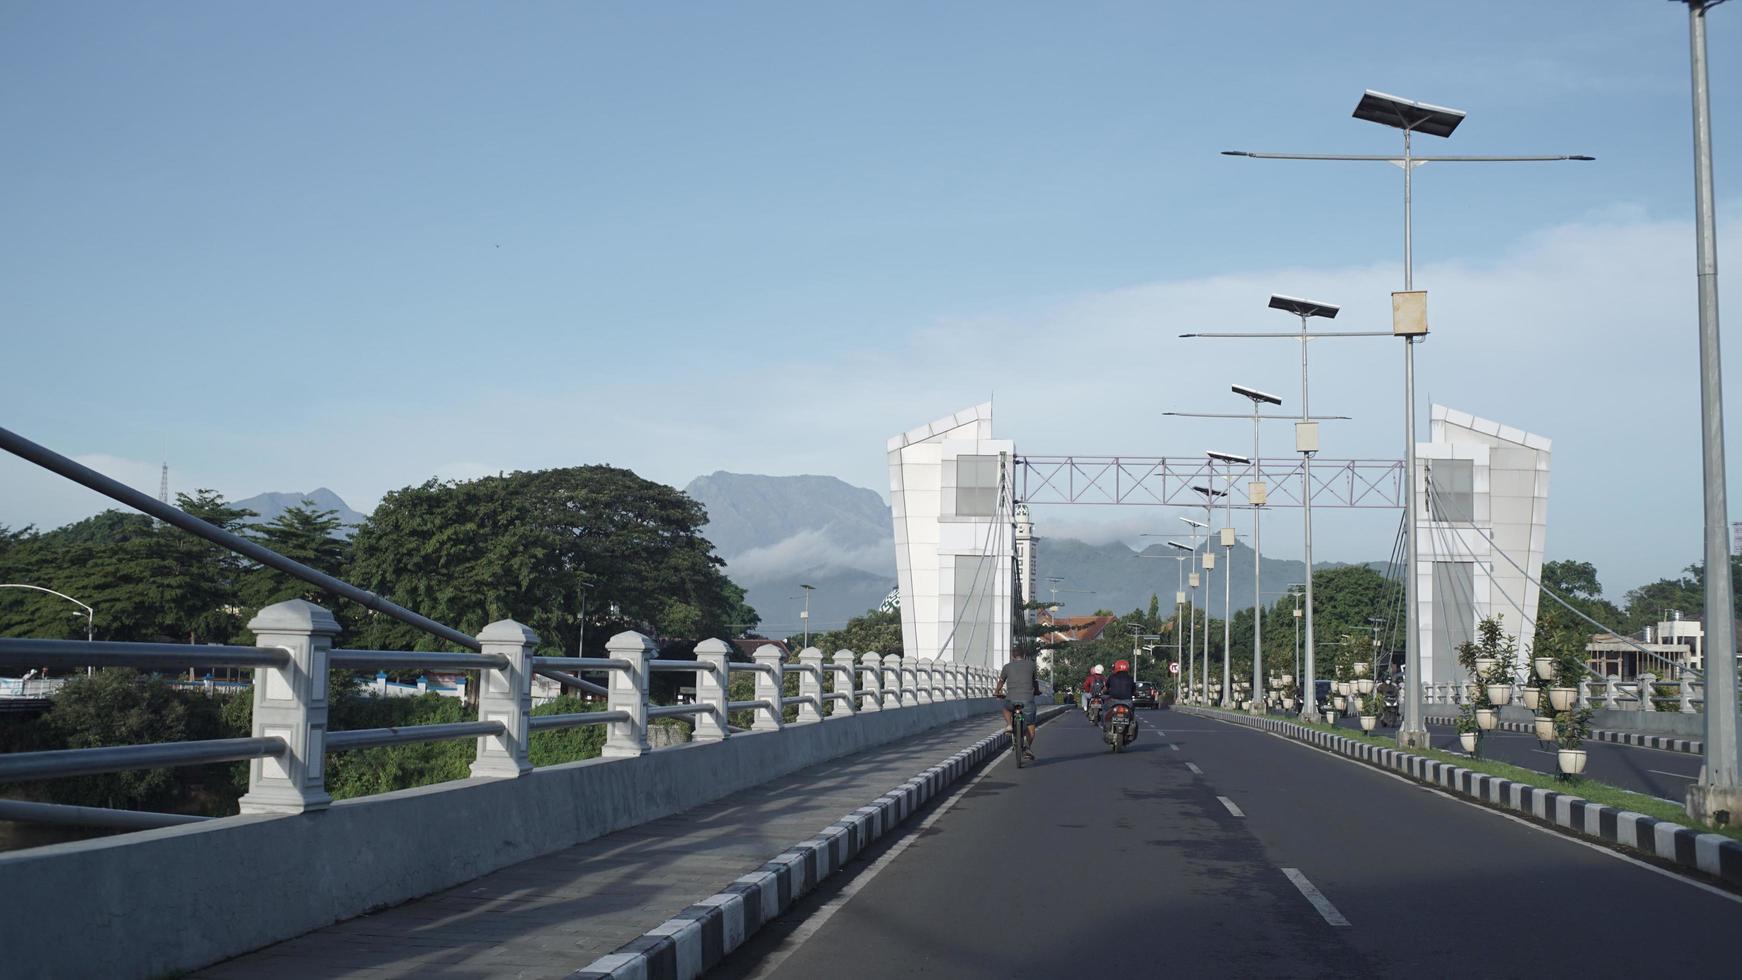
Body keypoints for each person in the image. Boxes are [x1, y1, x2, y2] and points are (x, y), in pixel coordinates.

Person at [995, 648, 1041, 762]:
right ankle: (1027, 748)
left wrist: (997, 691)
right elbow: (1035, 682)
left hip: (1011, 700)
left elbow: (1001, 681)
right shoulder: (1031, 665)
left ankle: (1009, 725)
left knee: (1006, 709)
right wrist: (1037, 691)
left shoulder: (1007, 667)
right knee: (1030, 725)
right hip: (1027, 701)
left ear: (1012, 657)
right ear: (1024, 655)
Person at [1100, 659, 1138, 740]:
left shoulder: (1112, 677)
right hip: (1127, 702)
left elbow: (1105, 689)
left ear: (1116, 667)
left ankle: (1105, 726)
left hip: (1113, 701)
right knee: (1132, 714)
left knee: (1104, 709)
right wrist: (1135, 694)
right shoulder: (1130, 678)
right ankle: (1131, 726)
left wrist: (1103, 692)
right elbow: (1134, 691)